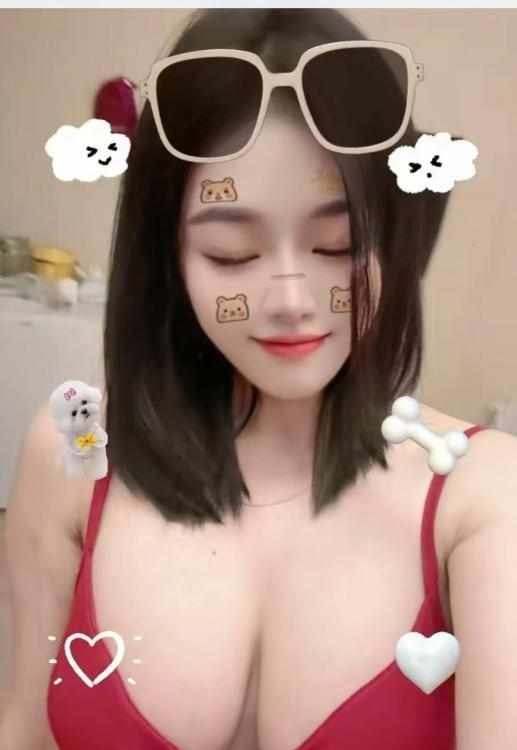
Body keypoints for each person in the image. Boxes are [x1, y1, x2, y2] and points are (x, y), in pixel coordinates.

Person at [2, 8, 517, 750]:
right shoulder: (71, 454)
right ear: (169, 260)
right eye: (232, 255)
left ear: (393, 238)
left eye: (336, 244)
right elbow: (23, 727)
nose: (290, 299)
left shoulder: (484, 495)